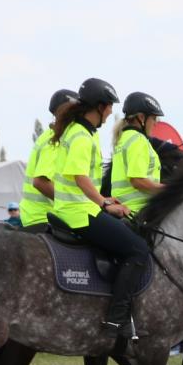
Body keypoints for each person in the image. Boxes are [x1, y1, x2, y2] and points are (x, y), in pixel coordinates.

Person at [50, 78, 146, 336]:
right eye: (109, 107)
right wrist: (103, 203)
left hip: (73, 208)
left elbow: (83, 179)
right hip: (79, 213)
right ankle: (117, 318)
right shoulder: (82, 135)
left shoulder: (75, 131)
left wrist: (106, 199)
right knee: (138, 250)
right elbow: (80, 177)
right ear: (100, 106)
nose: (112, 112)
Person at [21, 88, 78, 229]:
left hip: (38, 215)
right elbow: (40, 182)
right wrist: (72, 204)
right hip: (44, 218)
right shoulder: (57, 140)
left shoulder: (48, 135)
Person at [113, 91, 168, 219]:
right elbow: (137, 181)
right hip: (137, 212)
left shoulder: (124, 138)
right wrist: (168, 190)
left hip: (125, 210)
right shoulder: (138, 140)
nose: (156, 123)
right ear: (142, 118)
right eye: (154, 118)